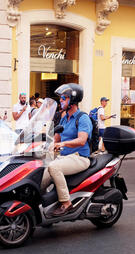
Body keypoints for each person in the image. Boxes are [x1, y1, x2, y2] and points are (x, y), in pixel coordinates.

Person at [41, 83, 93, 217]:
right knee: (40, 170)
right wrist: (43, 145)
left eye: (64, 98)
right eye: (61, 98)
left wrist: (62, 144)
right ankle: (40, 202)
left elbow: (81, 140)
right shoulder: (64, 118)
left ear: (73, 100)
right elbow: (56, 139)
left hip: (80, 157)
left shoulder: (83, 118)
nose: (61, 101)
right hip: (64, 156)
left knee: (54, 167)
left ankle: (66, 203)